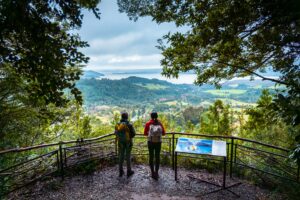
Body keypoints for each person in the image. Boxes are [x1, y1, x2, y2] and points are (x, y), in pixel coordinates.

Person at [144, 111, 166, 180]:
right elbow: (164, 133)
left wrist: (149, 133)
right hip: (158, 142)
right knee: (157, 157)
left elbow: (145, 133)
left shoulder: (148, 123)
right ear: (157, 116)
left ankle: (152, 172)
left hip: (150, 142)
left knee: (151, 156)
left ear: (151, 116)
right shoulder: (160, 123)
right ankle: (156, 172)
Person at [115, 111, 136, 177]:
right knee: (128, 156)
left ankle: (120, 171)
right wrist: (129, 137)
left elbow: (115, 133)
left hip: (120, 142)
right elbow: (133, 133)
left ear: (121, 117)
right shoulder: (129, 125)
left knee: (121, 156)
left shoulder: (118, 124)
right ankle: (128, 171)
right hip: (128, 142)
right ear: (127, 117)